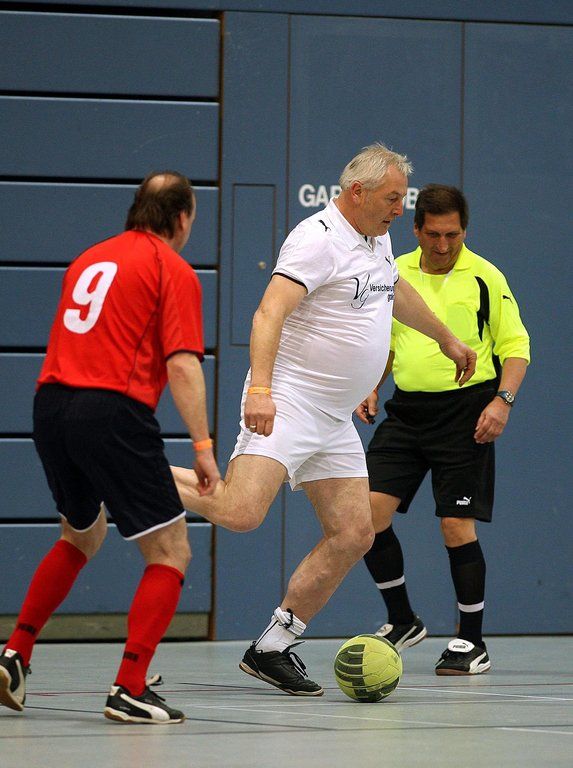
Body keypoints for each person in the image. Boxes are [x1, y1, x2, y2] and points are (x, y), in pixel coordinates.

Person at [171, 145, 477, 696]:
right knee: (240, 511)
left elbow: (394, 289)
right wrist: (261, 391)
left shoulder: (376, 236)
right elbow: (269, 312)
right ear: (357, 192)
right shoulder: (316, 239)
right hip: (290, 399)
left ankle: (273, 646)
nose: (399, 210)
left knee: (355, 532)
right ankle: (130, 473)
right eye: (391, 199)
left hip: (334, 417)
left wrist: (448, 339)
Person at [0, 171, 220, 724]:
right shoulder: (171, 268)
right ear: (182, 218)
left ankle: (15, 654)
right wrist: (202, 445)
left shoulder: (89, 259)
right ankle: (130, 687)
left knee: (81, 532)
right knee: (170, 551)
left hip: (51, 406)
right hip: (111, 410)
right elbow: (182, 365)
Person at [358, 184, 530, 675]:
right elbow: (389, 342)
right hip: (407, 413)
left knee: (456, 526)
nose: (442, 244)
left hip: (467, 413)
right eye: (433, 234)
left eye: (452, 235)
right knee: (364, 517)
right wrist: (372, 386)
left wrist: (502, 401)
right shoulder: (395, 273)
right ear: (416, 230)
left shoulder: (485, 276)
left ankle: (471, 641)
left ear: (464, 231)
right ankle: (402, 619)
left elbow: (516, 346)